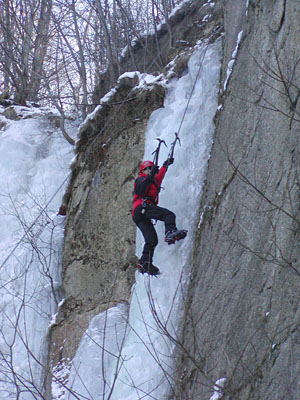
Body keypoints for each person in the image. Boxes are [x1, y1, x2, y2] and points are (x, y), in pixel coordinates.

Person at [132, 158, 187, 276]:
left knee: (152, 240)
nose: (148, 170)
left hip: (139, 214)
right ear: (142, 171)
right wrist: (149, 176)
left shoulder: (154, 181)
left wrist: (165, 165)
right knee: (168, 215)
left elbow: (160, 176)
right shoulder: (140, 180)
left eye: (150, 168)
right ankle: (170, 232)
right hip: (141, 208)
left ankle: (145, 262)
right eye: (146, 169)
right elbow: (139, 189)